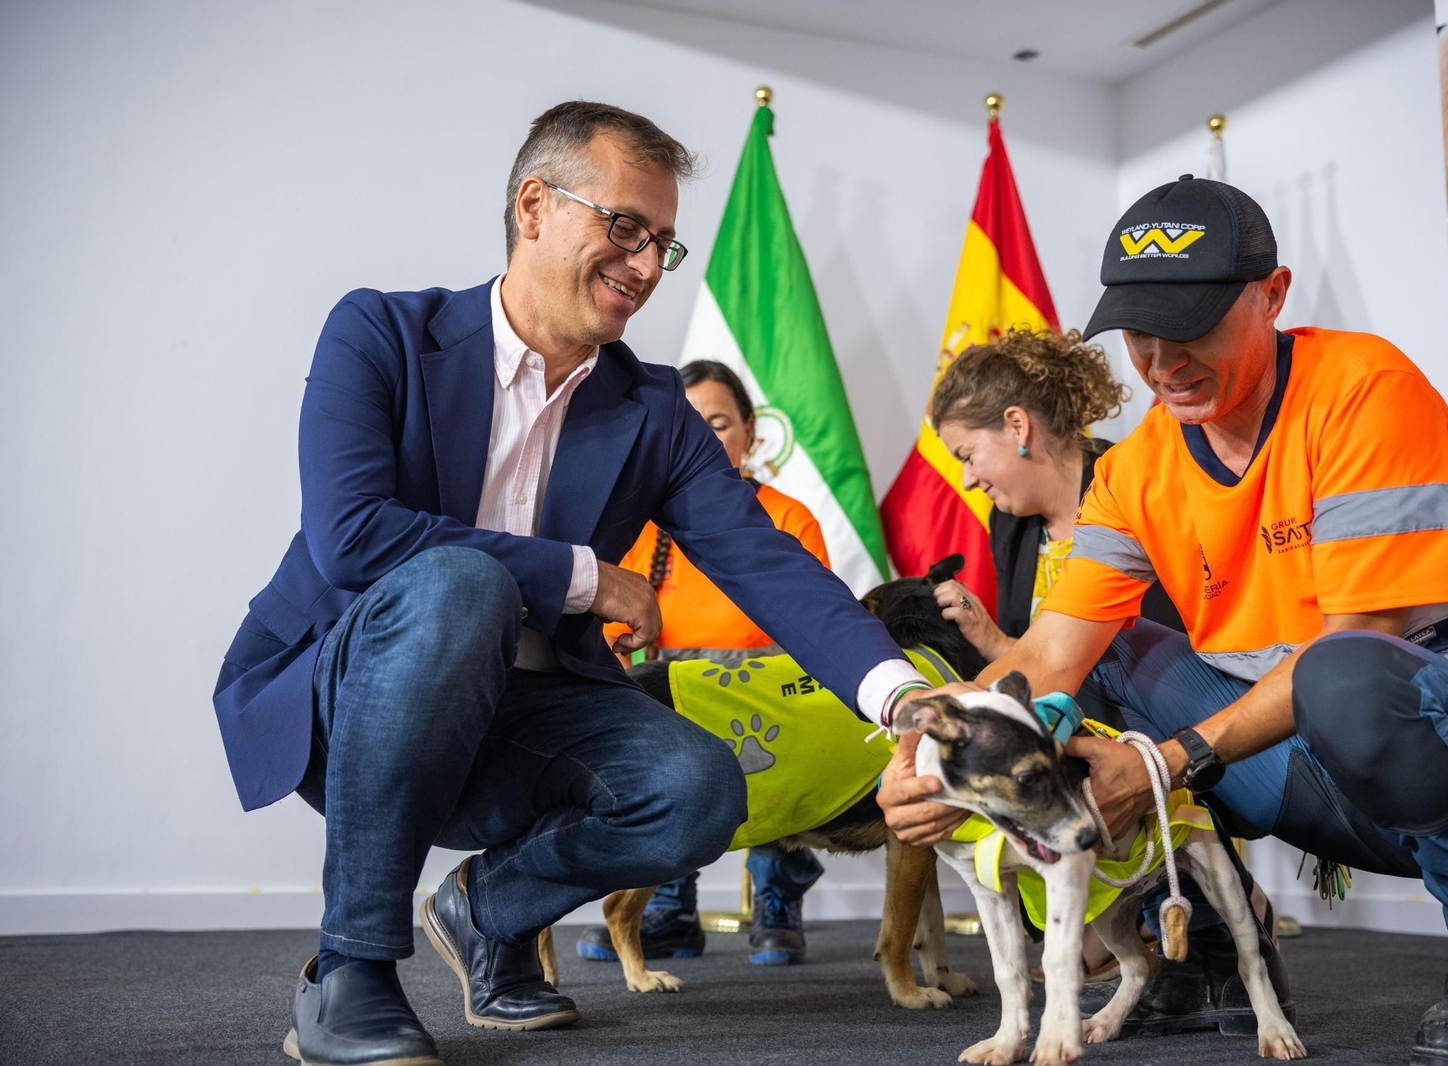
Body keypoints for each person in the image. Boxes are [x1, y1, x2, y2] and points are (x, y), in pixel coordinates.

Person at [212, 101, 933, 1066]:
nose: (644, 267)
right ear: (534, 206)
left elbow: (764, 562)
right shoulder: (379, 334)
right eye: (625, 228)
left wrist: (904, 697)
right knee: (458, 584)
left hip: (525, 713)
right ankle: (347, 973)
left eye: (663, 245)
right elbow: (351, 537)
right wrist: (585, 577)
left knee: (700, 789)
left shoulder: (656, 409)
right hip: (347, 696)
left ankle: (487, 911)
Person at [878, 174, 1448, 1066]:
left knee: (1347, 671)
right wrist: (922, 757)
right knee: (1106, 658)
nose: (1164, 361)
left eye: (1193, 325)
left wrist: (1161, 761)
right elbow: (1048, 653)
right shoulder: (1133, 472)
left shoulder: (1364, 388)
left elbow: (1359, 639)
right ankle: (1209, 952)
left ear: (1272, 294)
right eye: (1140, 333)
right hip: (1314, 764)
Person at [922, 327, 1280, 1003]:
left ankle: (1213, 926)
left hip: (1190, 718)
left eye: (969, 454)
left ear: (1018, 427)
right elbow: (1044, 663)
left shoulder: (1137, 481)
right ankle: (1155, 929)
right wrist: (989, 642)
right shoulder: (1012, 525)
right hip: (1084, 724)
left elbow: (1167, 646)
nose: (968, 478)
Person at [583, 358, 830, 966]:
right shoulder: (639, 530)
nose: (705, 438)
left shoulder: (791, 518)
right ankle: (668, 905)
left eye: (719, 423)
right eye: (691, 425)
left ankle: (776, 898)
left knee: (784, 748)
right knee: (658, 753)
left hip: (764, 694)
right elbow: (616, 635)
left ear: (751, 432)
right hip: (673, 695)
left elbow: (814, 630)